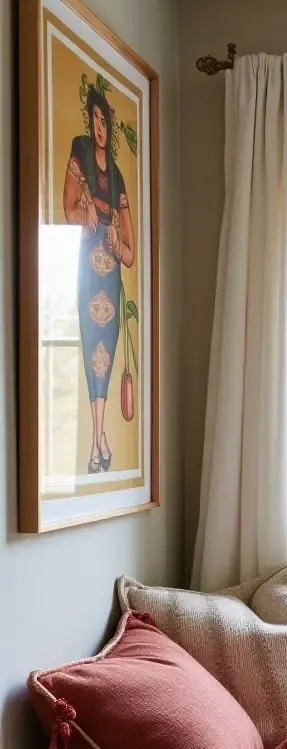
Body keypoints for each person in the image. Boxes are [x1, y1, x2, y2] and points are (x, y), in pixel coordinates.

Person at [62, 86, 135, 474]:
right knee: (92, 349)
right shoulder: (81, 153)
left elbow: (130, 254)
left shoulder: (119, 178)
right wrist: (88, 205)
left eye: (105, 120)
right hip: (88, 272)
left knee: (106, 354)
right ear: (89, 123)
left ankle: (97, 442)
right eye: (95, 119)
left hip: (112, 279)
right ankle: (96, 442)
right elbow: (68, 211)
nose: (100, 127)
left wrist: (117, 235)